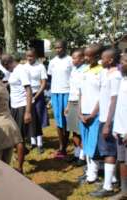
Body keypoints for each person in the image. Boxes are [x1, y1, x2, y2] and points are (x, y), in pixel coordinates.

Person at [89, 48, 121, 197]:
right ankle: (113, 179)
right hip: (102, 117)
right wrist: (94, 113)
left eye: (104, 58)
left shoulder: (115, 76)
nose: (101, 60)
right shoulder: (104, 73)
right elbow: (101, 97)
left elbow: (114, 100)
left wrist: (108, 123)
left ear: (111, 60)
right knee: (106, 151)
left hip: (111, 119)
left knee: (109, 151)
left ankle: (107, 187)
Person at [2, 54, 32, 172]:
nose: (5, 70)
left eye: (5, 67)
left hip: (22, 106)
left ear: (7, 63)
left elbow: (29, 91)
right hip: (14, 107)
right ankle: (23, 151)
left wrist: (28, 112)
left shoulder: (21, 70)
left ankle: (19, 168)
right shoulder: (13, 71)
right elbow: (13, 84)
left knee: (18, 138)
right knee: (14, 135)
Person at [78, 44, 103, 184]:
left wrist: (93, 114)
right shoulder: (85, 71)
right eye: (85, 55)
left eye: (89, 55)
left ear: (97, 56)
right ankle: (89, 170)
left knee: (94, 144)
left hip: (96, 114)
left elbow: (102, 96)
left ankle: (93, 174)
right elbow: (81, 93)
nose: (86, 58)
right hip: (84, 113)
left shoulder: (102, 72)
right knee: (86, 142)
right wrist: (80, 111)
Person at [47, 40, 73, 158]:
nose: (58, 50)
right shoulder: (52, 62)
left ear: (65, 48)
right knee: (58, 121)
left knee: (66, 120)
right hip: (55, 93)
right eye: (56, 48)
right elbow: (51, 77)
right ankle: (61, 146)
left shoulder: (70, 60)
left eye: (60, 48)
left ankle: (65, 146)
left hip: (67, 92)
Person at [64, 49, 87, 166]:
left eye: (76, 58)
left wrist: (81, 107)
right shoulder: (73, 70)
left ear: (82, 58)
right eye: (72, 58)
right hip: (72, 102)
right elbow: (71, 89)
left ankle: (83, 157)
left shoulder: (86, 70)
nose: (73, 60)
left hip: (80, 103)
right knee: (73, 130)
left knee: (81, 132)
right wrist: (67, 105)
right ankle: (77, 154)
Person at [24, 48, 49, 153]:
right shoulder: (23, 67)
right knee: (30, 118)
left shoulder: (40, 66)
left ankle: (39, 143)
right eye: (27, 56)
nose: (29, 58)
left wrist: (36, 96)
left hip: (37, 94)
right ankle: (32, 141)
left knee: (38, 118)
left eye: (31, 56)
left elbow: (43, 83)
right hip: (26, 95)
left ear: (35, 56)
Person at [110, 53, 127, 200]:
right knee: (122, 161)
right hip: (120, 130)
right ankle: (124, 192)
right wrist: (116, 127)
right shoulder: (122, 79)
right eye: (121, 60)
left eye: (124, 61)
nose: (121, 64)